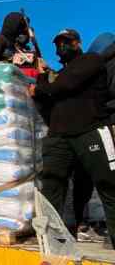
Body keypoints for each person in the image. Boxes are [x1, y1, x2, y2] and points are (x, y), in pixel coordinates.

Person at [29, 29, 115, 249]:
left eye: (66, 42)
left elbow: (64, 85)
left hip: (90, 130)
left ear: (77, 43)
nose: (62, 47)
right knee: (51, 185)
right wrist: (41, 76)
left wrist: (41, 86)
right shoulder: (61, 73)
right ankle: (56, 241)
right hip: (59, 136)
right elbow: (51, 94)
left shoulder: (91, 61)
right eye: (58, 43)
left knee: (108, 185)